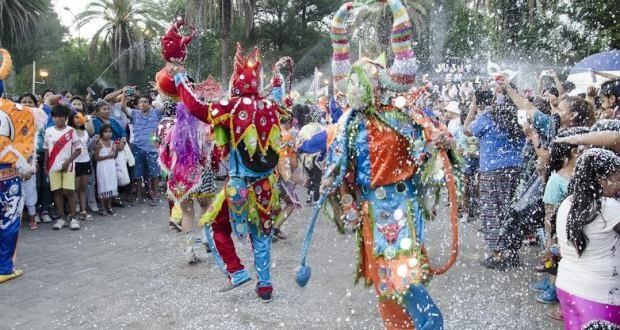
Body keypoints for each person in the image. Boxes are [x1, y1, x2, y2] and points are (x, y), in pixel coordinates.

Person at [295, 2, 458, 329]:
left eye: (369, 77)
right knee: (388, 283)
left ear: (382, 83)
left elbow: (437, 140)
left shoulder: (404, 114)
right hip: (373, 212)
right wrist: (343, 199)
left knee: (404, 277)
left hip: (403, 209)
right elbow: (328, 156)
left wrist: (443, 141)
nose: (360, 84)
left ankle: (432, 324)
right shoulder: (348, 125)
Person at [173, 43, 289, 303]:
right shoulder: (270, 107)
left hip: (238, 185)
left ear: (235, 82)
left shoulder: (230, 107)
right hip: (266, 186)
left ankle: (236, 271)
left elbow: (195, 107)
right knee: (261, 234)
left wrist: (180, 77)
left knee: (217, 226)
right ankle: (265, 285)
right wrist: (278, 74)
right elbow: (282, 96)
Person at [555, 148, 620, 328]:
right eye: (617, 178)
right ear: (600, 179)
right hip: (600, 295)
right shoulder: (608, 208)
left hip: (568, 287)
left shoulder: (567, 203)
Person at [465, 82, 525, 270]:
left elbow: (467, 129)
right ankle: (512, 251)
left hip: (492, 171)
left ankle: (498, 253)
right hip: (516, 170)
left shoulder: (489, 116)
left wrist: (474, 105)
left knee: (492, 211)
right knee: (511, 210)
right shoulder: (520, 115)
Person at [0, 48, 37, 283]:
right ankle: (4, 268)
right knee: (8, 220)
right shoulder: (18, 111)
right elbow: (25, 144)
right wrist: (27, 167)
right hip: (7, 173)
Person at [17, 93, 53, 225]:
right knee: (33, 185)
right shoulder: (14, 120)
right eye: (23, 102)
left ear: (36, 105)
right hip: (23, 159)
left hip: (43, 156)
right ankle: (34, 212)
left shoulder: (42, 118)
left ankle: (45, 210)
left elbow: (48, 136)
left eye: (30, 102)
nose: (26, 105)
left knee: (46, 184)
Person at [120, 94, 163, 205]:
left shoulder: (156, 113)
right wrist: (124, 95)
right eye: (141, 102)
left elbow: (164, 106)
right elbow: (123, 108)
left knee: (154, 174)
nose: (143, 104)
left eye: (145, 102)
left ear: (149, 104)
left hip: (153, 148)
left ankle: (156, 196)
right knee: (137, 175)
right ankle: (139, 197)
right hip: (138, 148)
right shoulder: (134, 113)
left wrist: (163, 90)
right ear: (138, 105)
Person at [45, 104, 82, 230]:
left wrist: (67, 162)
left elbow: (78, 150)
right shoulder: (48, 131)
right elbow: (46, 150)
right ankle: (61, 218)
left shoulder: (71, 131)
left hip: (68, 167)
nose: (56, 119)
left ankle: (73, 218)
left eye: (60, 116)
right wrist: (46, 166)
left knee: (70, 192)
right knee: (57, 192)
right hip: (52, 167)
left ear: (65, 117)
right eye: (54, 116)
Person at [69, 112, 94, 221]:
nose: (78, 120)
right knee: (74, 189)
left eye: (80, 117)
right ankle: (73, 213)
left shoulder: (85, 132)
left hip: (86, 161)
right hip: (74, 162)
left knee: (83, 188)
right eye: (75, 117)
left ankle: (83, 212)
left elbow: (87, 146)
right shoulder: (69, 131)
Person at [94, 125, 119, 215]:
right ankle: (103, 207)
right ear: (102, 133)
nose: (108, 134)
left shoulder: (113, 142)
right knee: (103, 185)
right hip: (102, 167)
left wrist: (115, 150)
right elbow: (96, 158)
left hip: (111, 167)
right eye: (106, 132)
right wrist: (108, 156)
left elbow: (115, 157)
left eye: (110, 132)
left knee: (111, 185)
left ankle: (109, 206)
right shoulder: (99, 143)